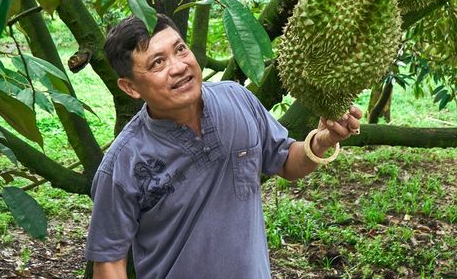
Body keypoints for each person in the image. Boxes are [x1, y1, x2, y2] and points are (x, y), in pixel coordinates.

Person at [85, 14, 361, 278]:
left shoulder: (238, 99)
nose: (178, 67)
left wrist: (321, 141)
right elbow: (109, 262)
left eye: (180, 49)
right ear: (130, 87)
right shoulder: (122, 164)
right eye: (158, 62)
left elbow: (286, 160)